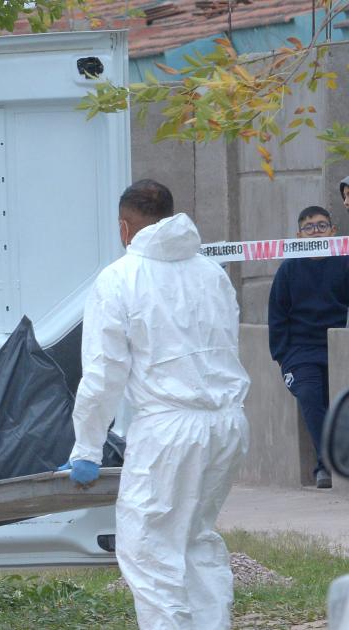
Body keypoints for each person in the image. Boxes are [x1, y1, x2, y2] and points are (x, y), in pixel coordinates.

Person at [60, 180, 250, 630]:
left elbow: (105, 375)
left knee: (150, 550)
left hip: (169, 430)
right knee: (195, 537)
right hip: (227, 422)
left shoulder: (120, 278)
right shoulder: (212, 274)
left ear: (125, 227)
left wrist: (86, 447)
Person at [268, 205, 349, 489]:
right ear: (299, 234)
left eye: (322, 225)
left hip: (338, 348)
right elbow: (277, 317)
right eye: (309, 227)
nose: (316, 231)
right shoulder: (289, 269)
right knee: (312, 399)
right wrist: (282, 357)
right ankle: (326, 466)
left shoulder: (344, 262)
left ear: (333, 231)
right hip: (300, 353)